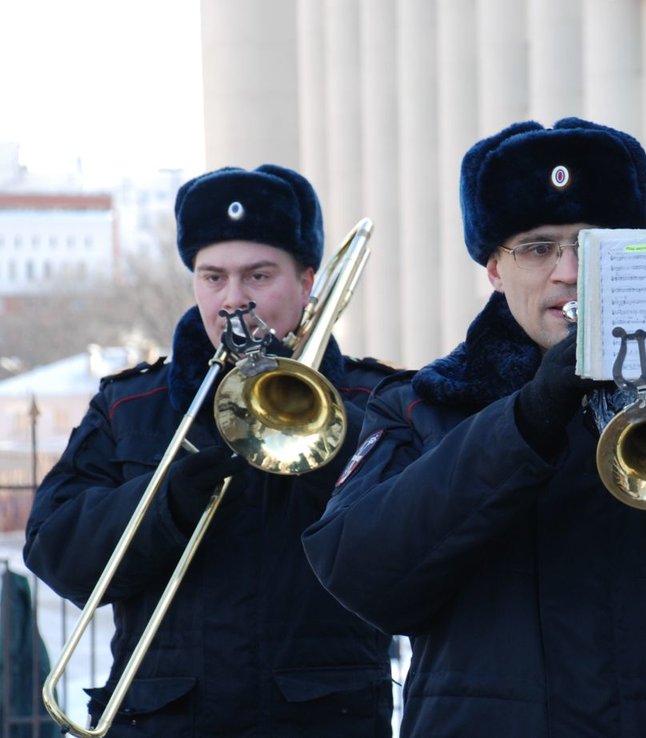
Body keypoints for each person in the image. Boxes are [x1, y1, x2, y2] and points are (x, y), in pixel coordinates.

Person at [301, 117, 646, 738]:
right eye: (537, 248)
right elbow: (363, 580)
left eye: (592, 246)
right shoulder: (420, 406)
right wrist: (525, 420)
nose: (568, 272)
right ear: (493, 269)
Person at [24, 164, 395, 737]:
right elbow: (54, 549)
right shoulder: (131, 405)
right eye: (212, 277)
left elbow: (411, 541)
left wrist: (327, 438)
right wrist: (165, 502)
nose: (233, 300)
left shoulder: (377, 401)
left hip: (320, 719)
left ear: (308, 282)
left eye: (259, 276)